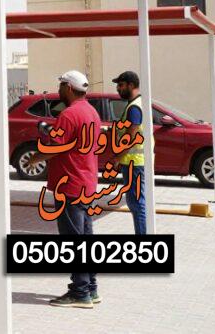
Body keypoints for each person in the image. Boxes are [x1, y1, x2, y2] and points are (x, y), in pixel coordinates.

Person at [38, 70, 102, 308]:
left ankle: (80, 292)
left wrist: (35, 157)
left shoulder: (69, 114)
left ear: (68, 87)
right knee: (85, 238)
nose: (58, 91)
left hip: (70, 185)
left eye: (61, 86)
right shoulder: (91, 111)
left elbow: (55, 148)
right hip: (86, 183)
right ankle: (91, 288)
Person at [112, 70, 147, 234]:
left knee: (136, 202)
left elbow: (130, 137)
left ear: (131, 85)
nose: (118, 89)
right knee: (135, 201)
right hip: (135, 161)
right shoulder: (137, 104)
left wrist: (117, 158)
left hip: (134, 162)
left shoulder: (134, 107)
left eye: (121, 85)